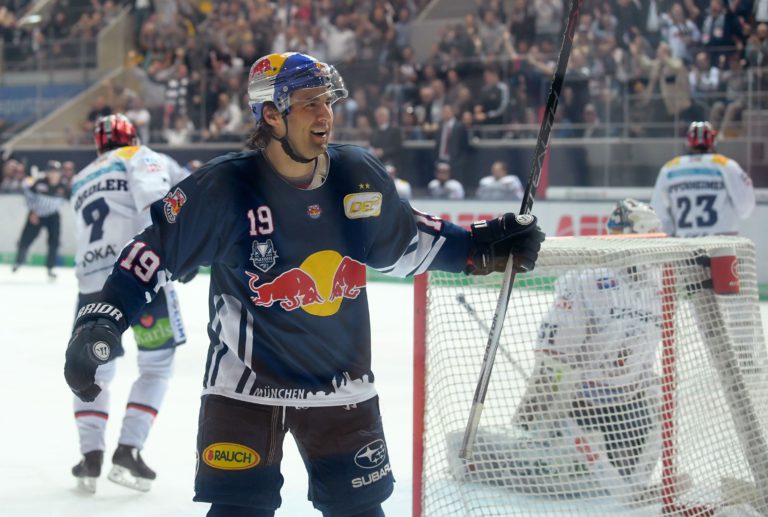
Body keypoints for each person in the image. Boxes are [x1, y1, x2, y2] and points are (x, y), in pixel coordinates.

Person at [63, 52, 545, 517]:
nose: (325, 114)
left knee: (360, 514)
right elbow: (151, 253)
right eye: (310, 102)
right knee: (237, 511)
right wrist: (101, 319)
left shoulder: (357, 176)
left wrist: (480, 246)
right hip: (243, 391)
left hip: (341, 390)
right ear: (271, 114)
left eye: (328, 101)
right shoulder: (224, 187)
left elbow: (407, 243)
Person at [448, 199, 664, 503]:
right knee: (551, 476)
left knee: (655, 399)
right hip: (581, 404)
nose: (657, 243)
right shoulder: (588, 280)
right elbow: (554, 357)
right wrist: (541, 409)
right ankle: (483, 453)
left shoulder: (659, 283)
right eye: (651, 235)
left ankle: (624, 475)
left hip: (630, 403)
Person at [68, 114, 192, 494]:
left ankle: (90, 456)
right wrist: (182, 253)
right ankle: (128, 450)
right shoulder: (141, 155)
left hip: (91, 288)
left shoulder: (80, 177)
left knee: (94, 370)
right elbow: (160, 205)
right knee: (156, 367)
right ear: (133, 136)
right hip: (140, 277)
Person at [650, 121, 755, 237]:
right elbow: (746, 207)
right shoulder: (726, 165)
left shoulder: (669, 168)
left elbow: (658, 212)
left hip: (685, 243)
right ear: (713, 141)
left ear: (688, 142)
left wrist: (669, 233)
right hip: (722, 243)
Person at [12, 160, 70, 278]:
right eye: (51, 172)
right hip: (36, 215)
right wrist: (33, 212)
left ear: (60, 173)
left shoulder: (63, 187)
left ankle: (50, 268)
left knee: (54, 242)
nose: (53, 174)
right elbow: (29, 197)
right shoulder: (39, 183)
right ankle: (18, 261)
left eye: (56, 172)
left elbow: (70, 199)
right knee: (25, 239)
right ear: (47, 172)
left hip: (52, 215)